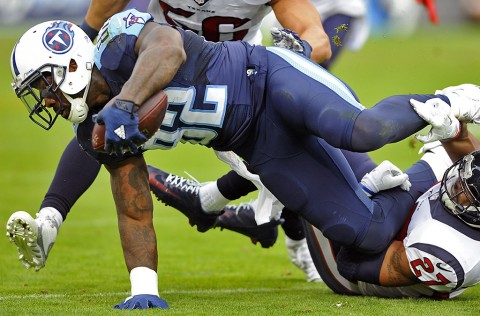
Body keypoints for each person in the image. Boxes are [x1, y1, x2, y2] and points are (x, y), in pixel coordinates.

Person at [7, 9, 480, 309]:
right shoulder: (98, 130)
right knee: (367, 231)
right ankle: (432, 169)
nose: (45, 102)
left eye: (42, 88)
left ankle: (452, 101)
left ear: (68, 64)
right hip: (255, 140)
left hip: (268, 77)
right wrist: (143, 288)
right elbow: (132, 207)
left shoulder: (115, 39)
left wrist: (127, 102)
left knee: (359, 130)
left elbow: (168, 47)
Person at [5, 0, 371, 284]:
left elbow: (319, 41)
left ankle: (220, 205)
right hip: (152, 74)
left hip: (234, 85)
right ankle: (50, 218)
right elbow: (103, 18)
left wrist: (290, 70)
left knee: (295, 157)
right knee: (100, 125)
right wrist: (81, 48)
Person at [305, 128, 480, 299]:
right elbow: (472, 160)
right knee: (320, 126)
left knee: (305, 164)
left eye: (467, 196)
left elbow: (349, 263)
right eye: (459, 183)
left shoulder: (450, 253)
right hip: (408, 218)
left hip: (355, 268)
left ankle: (289, 227)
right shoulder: (463, 186)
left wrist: (363, 193)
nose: (455, 187)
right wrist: (454, 128)